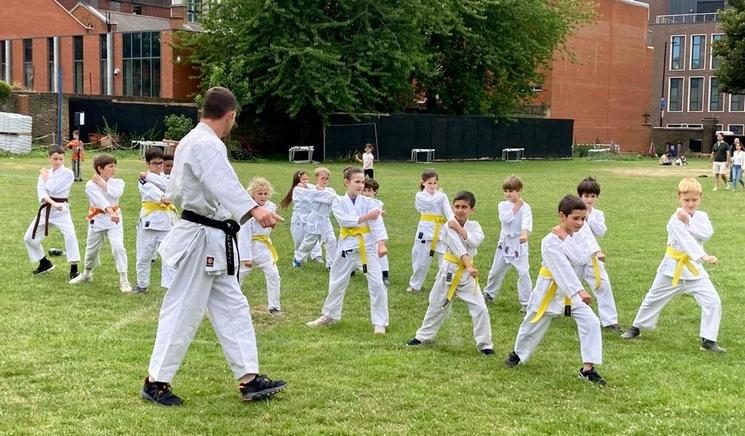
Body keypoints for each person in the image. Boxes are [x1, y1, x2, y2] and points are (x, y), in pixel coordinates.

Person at [140, 87, 287, 406]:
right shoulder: (206, 143)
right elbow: (224, 184)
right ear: (230, 115)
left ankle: (249, 378)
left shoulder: (193, 140)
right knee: (183, 309)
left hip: (212, 238)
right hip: (201, 239)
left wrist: (249, 209)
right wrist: (256, 209)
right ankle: (156, 381)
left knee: (233, 306)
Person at [504, 195, 606, 386]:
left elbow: (582, 258)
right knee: (532, 324)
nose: (580, 223)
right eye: (575, 218)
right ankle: (517, 354)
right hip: (549, 291)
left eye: (583, 219)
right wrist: (579, 291)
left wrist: (566, 238)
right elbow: (562, 269)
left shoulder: (581, 234)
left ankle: (588, 369)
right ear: (562, 216)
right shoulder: (549, 241)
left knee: (591, 322)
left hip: (572, 294)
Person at [621, 178, 725, 352]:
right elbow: (686, 241)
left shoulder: (702, 216)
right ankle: (636, 327)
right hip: (673, 267)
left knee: (713, 300)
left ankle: (708, 339)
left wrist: (689, 222)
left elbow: (707, 234)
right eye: (686, 200)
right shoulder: (674, 219)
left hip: (694, 270)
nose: (690, 204)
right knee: (653, 297)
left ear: (700, 198)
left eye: (694, 200)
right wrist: (704, 256)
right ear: (679, 198)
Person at [406, 191, 494, 355]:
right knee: (436, 305)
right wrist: (468, 264)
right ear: (453, 208)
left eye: (464, 207)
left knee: (480, 308)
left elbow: (476, 241)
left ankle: (485, 344)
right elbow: (458, 248)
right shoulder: (448, 225)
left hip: (467, 277)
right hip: (449, 271)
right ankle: (423, 336)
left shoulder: (475, 226)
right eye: (457, 207)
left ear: (472, 209)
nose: (460, 210)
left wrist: (461, 231)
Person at [306, 167, 389, 334]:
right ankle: (329, 315)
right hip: (345, 248)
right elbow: (345, 221)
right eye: (357, 181)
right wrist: (367, 217)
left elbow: (377, 224)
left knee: (378, 284)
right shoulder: (338, 202)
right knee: (336, 281)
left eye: (362, 182)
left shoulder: (369, 202)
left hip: (366, 249)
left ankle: (380, 322)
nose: (360, 185)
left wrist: (381, 243)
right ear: (346, 182)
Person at [68, 154, 131, 292]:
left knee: (118, 247)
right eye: (110, 166)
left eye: (115, 166)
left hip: (115, 219)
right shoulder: (90, 185)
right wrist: (109, 211)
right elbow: (99, 200)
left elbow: (116, 194)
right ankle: (86, 274)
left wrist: (102, 184)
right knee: (91, 250)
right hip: (98, 218)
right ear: (100, 168)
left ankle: (124, 279)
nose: (114, 169)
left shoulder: (118, 182)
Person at [23, 146, 81, 279]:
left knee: (70, 235)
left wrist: (45, 176)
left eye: (61, 159)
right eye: (55, 159)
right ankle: (44, 263)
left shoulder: (68, 173)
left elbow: (54, 188)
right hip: (46, 210)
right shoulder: (45, 173)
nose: (58, 162)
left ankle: (74, 270)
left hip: (62, 212)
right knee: (28, 238)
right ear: (49, 158)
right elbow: (42, 193)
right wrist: (53, 203)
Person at [574, 177, 623, 333]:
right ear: (580, 196)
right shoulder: (573, 212)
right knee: (564, 285)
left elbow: (601, 231)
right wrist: (581, 216)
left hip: (591, 258)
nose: (589, 199)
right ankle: (561, 310)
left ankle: (610, 321)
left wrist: (588, 216)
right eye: (586, 196)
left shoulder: (598, 214)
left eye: (592, 196)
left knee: (603, 285)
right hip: (573, 256)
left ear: (597, 198)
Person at [483, 176, 533, 310]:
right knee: (496, 271)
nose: (508, 193)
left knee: (523, 273)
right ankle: (489, 293)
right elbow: (505, 220)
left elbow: (526, 221)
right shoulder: (502, 205)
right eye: (506, 191)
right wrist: (516, 206)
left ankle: (527, 303)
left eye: (512, 190)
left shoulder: (526, 207)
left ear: (519, 190)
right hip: (504, 243)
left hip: (519, 244)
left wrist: (524, 233)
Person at [133, 147, 178, 294]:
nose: (158, 166)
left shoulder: (165, 178)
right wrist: (164, 197)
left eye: (160, 163)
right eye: (154, 163)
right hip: (149, 221)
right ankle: (142, 284)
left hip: (167, 222)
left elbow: (173, 188)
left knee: (169, 256)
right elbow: (155, 193)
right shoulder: (143, 180)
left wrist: (150, 176)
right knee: (144, 256)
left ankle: (170, 287)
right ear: (148, 163)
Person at [238, 177, 283, 316]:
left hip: (264, 247)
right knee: (237, 277)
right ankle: (232, 304)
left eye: (265, 193)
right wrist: (246, 257)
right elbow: (244, 234)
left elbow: (269, 226)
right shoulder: (247, 209)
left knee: (273, 274)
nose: (263, 196)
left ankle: (274, 307)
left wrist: (272, 223)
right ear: (252, 194)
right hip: (249, 246)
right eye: (260, 193)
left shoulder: (270, 206)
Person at [407, 169, 455, 293]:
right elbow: (427, 203)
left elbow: (448, 211)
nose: (433, 186)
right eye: (430, 183)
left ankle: (445, 285)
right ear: (423, 183)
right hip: (425, 231)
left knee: (446, 260)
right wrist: (440, 195)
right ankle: (415, 285)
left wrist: (452, 222)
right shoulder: (420, 196)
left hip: (440, 231)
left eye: (435, 183)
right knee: (420, 261)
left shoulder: (442, 196)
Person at [293, 167, 337, 269]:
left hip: (326, 219)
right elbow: (309, 193)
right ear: (316, 178)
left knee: (331, 240)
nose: (325, 180)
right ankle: (298, 258)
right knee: (310, 241)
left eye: (327, 178)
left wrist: (322, 193)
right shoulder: (310, 190)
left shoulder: (331, 190)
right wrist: (306, 186)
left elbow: (332, 198)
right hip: (315, 219)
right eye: (322, 178)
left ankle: (331, 264)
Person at [279, 170, 322, 264]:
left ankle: (316, 255)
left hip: (310, 217)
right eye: (303, 179)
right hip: (298, 218)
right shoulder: (297, 190)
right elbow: (309, 197)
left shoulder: (310, 187)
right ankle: (298, 256)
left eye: (307, 179)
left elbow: (317, 191)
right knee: (299, 238)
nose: (306, 181)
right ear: (297, 181)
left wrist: (307, 186)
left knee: (312, 235)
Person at [362, 178, 390, 286]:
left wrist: (380, 212)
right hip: (362, 232)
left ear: (375, 192)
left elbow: (376, 211)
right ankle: (352, 269)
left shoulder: (377, 203)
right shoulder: (360, 201)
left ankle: (385, 274)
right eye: (365, 190)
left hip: (375, 232)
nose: (367, 193)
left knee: (379, 252)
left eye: (370, 191)